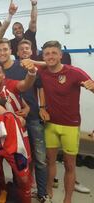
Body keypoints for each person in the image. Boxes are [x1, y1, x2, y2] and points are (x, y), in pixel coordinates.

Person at [37, 41, 94, 203]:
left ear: (61, 55)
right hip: (50, 124)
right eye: (47, 53)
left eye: (54, 53)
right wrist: (42, 107)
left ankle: (67, 199)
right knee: (50, 162)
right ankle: (48, 193)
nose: (50, 56)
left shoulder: (74, 72)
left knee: (70, 165)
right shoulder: (42, 71)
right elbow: (36, 65)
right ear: (43, 56)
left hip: (71, 125)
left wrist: (92, 86)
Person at [6, 39, 50, 202]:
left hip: (33, 118)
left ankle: (42, 191)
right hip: (15, 119)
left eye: (27, 48)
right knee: (18, 158)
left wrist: (43, 107)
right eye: (21, 49)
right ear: (16, 52)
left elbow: (40, 87)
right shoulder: (9, 68)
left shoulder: (34, 68)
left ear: (32, 51)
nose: (24, 51)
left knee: (39, 158)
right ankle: (21, 188)